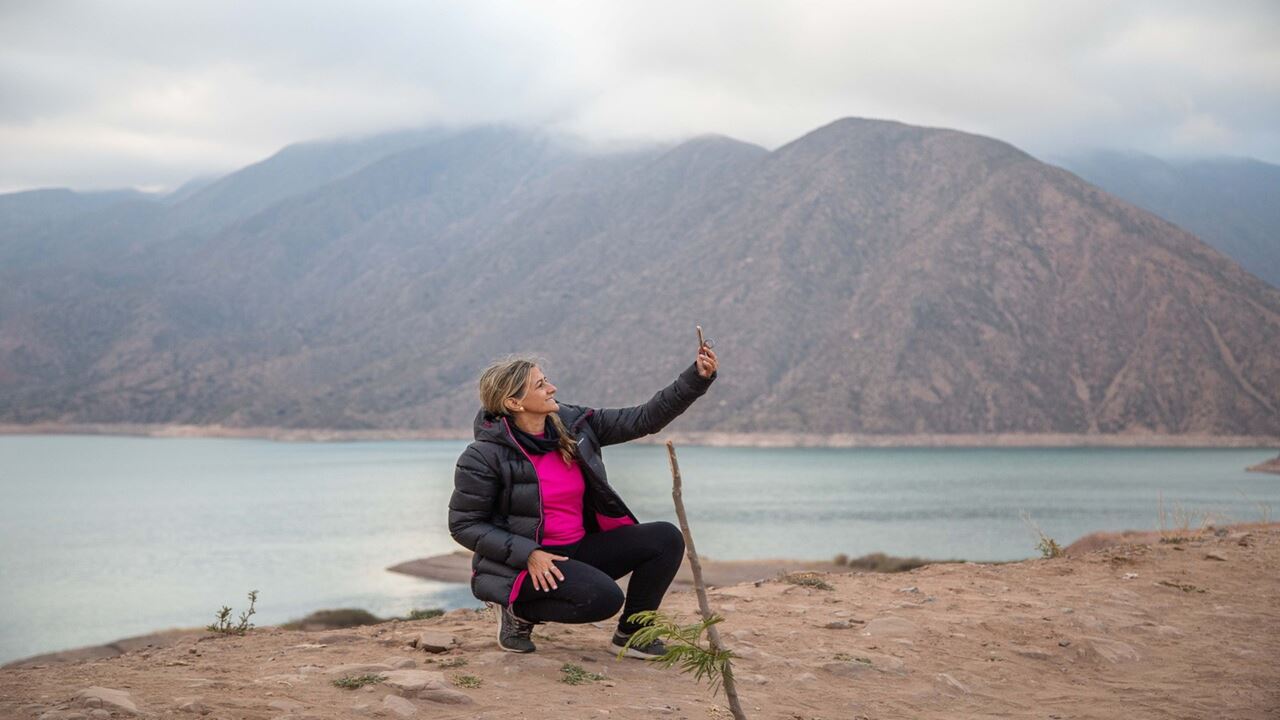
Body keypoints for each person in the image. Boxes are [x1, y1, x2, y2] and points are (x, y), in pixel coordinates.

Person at [448, 342, 719, 656]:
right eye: (540, 385)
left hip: (578, 548)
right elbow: (464, 524)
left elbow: (644, 419)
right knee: (604, 599)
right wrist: (529, 554)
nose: (552, 388)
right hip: (524, 564)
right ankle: (518, 612)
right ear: (514, 402)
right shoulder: (483, 457)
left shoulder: (577, 425)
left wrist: (696, 379)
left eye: (545, 379)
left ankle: (634, 635)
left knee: (665, 538)